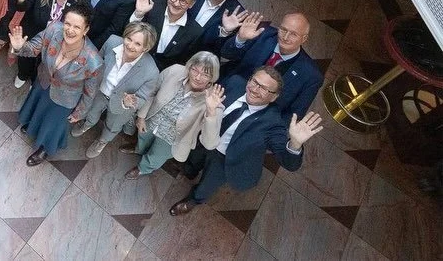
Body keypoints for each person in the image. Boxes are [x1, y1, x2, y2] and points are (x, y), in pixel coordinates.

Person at [168, 67, 324, 215]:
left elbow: (289, 163)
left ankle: (195, 199)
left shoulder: (273, 123)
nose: (255, 89)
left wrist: (295, 143)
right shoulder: (235, 83)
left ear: (274, 97)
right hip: (206, 138)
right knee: (194, 159)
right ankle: (189, 170)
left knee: (207, 185)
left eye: (264, 88)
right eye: (254, 82)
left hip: (227, 158)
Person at [9, 5, 102, 166]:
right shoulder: (53, 30)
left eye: (77, 27)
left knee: (53, 124)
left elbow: (90, 93)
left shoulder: (93, 62)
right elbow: (32, 48)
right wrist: (19, 47)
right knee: (37, 109)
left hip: (65, 98)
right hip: (44, 82)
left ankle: (45, 148)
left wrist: (80, 113)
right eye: (67, 24)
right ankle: (32, 126)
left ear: (85, 30)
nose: (70, 30)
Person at [125, 52, 224, 180]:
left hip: (172, 139)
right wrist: (142, 116)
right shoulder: (175, 71)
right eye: (195, 70)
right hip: (151, 120)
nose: (198, 77)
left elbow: (210, 143)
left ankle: (143, 168)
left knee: (156, 156)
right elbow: (152, 92)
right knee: (143, 140)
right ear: (190, 66)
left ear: (212, 77)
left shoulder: (214, 102)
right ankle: (139, 150)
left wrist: (211, 111)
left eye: (205, 75)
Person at [71, 22, 160, 158]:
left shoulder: (152, 72)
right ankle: (87, 124)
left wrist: (130, 102)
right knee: (92, 112)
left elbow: (142, 99)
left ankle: (102, 141)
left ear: (146, 48)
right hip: (101, 91)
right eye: (129, 39)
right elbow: (97, 62)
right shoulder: (112, 41)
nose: (130, 46)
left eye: (137, 44)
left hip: (123, 105)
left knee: (112, 126)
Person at [219, 12, 323, 121]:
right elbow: (226, 54)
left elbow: (292, 116)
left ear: (304, 38)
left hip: (255, 122)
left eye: (293, 34)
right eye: (283, 30)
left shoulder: (311, 76)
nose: (286, 37)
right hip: (223, 96)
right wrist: (240, 39)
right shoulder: (262, 33)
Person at [17, 0, 83, 88]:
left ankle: (35, 80)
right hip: (33, 32)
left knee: (46, 63)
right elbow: (23, 7)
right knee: (26, 58)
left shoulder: (79, 0)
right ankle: (22, 74)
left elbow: (86, 19)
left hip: (57, 41)